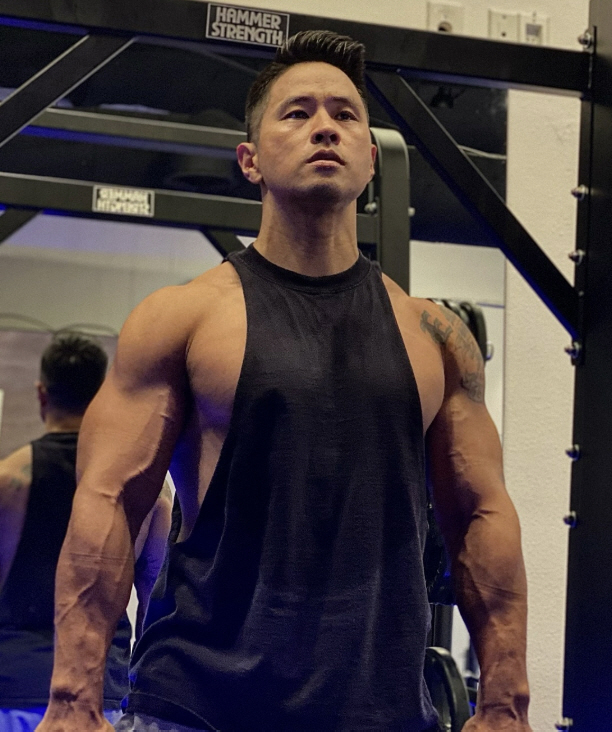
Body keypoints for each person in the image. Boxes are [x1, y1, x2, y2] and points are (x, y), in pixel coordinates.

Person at [36, 31, 531, 732]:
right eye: (297, 113)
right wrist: (72, 699)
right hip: (200, 706)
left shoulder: (437, 338)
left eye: (344, 114)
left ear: (369, 160)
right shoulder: (181, 317)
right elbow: (109, 502)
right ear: (251, 161)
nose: (325, 126)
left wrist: (505, 702)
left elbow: (481, 515)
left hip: (382, 712)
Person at [0, 333, 172, 732]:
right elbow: (155, 606)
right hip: (102, 695)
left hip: (13, 691)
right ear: (101, 398)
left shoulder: (9, 481)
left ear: (42, 395)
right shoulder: (145, 488)